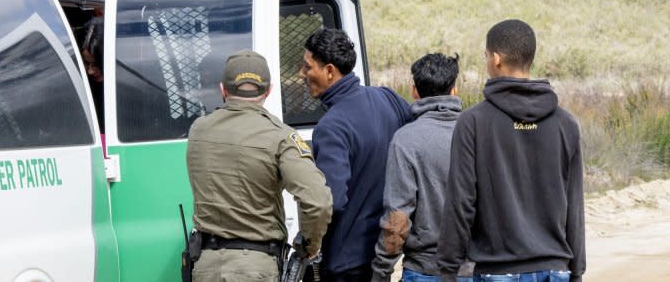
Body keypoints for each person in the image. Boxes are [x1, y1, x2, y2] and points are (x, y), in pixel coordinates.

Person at [438, 19, 586, 282]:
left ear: (496, 59)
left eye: (485, 56)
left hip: (497, 270)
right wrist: (576, 271)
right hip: (555, 269)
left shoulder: (473, 122)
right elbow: (574, 204)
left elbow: (461, 203)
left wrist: (449, 267)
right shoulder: (566, 124)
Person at [187, 49, 333, 282]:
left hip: (206, 267)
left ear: (223, 90)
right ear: (269, 91)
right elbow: (317, 202)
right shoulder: (281, 137)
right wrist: (308, 246)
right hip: (256, 268)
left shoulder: (198, 130)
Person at [299, 28, 412, 281]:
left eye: (308, 67)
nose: (302, 74)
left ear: (329, 71)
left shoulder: (331, 127)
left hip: (348, 261)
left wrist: (306, 239)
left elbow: (332, 200)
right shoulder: (388, 98)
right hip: (387, 253)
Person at [371, 53, 470, 282]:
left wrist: (381, 271)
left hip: (425, 270)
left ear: (414, 91)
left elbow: (398, 218)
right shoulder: (479, 132)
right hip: (476, 269)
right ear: (454, 90)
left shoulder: (406, 140)